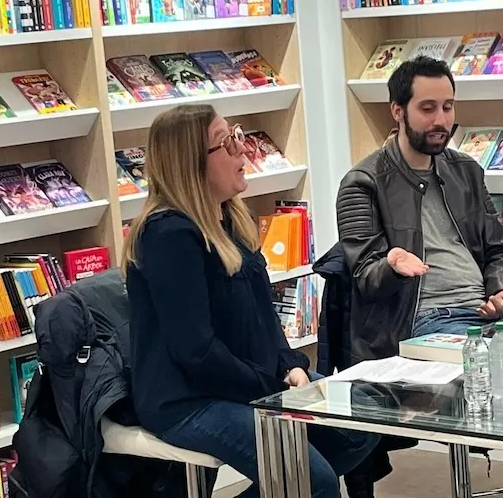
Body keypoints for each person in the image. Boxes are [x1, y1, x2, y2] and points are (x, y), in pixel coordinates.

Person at [336, 56, 503, 498]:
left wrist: (500, 291)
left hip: (485, 318)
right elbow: (364, 278)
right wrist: (392, 265)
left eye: (448, 107)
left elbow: (500, 251)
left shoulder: (465, 170)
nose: (441, 120)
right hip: (420, 324)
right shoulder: (363, 182)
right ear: (397, 111)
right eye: (427, 108)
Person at [123, 104, 379, 498]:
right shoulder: (167, 236)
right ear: (191, 163)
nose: (243, 149)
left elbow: (264, 313)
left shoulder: (230, 219)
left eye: (237, 136)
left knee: (363, 425)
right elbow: (196, 352)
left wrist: (291, 365)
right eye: (226, 143)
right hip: (188, 399)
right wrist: (273, 389)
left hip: (250, 382)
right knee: (313, 483)